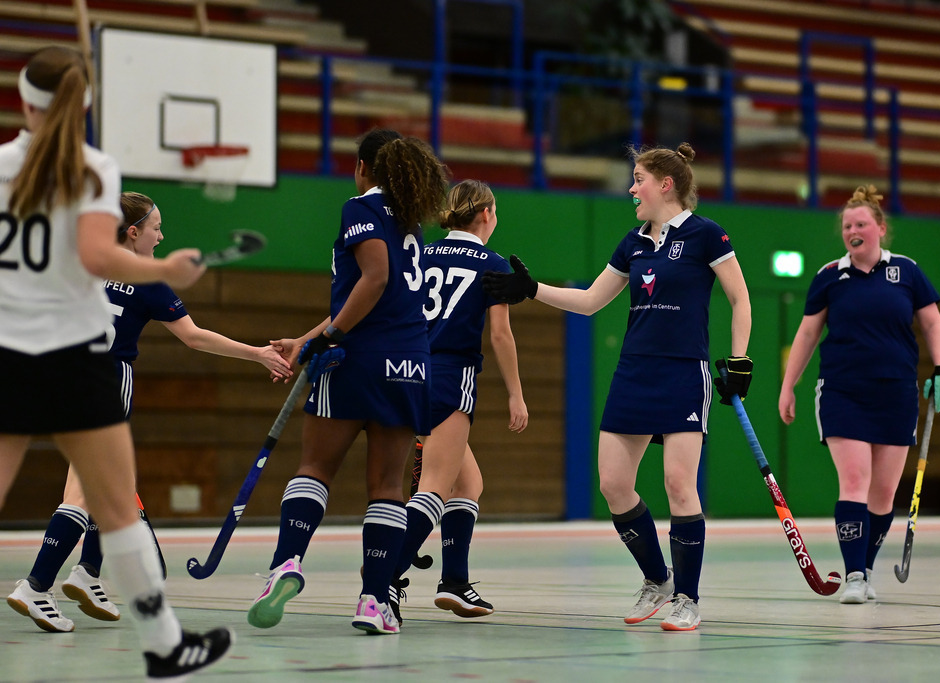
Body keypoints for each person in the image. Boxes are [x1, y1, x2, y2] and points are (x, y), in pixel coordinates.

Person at [0, 46, 232, 679]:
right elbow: (99, 259)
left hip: (7, 348)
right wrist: (165, 269)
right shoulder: (95, 169)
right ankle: (162, 644)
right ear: (86, 105)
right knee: (116, 505)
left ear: (24, 103)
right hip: (76, 358)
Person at [483, 142, 752, 632]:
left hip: (682, 372)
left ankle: (688, 598)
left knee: (678, 484)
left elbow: (740, 297)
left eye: (638, 179)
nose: (632, 188)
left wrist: (740, 359)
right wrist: (532, 290)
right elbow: (589, 301)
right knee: (612, 483)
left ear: (665, 185)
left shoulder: (706, 235)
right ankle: (658, 579)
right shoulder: (632, 242)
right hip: (634, 373)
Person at [6, 190, 292, 634]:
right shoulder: (146, 279)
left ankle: (86, 574)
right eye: (156, 228)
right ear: (134, 232)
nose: (162, 236)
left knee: (116, 487)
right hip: (105, 378)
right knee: (85, 492)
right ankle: (36, 586)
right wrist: (257, 354)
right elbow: (195, 338)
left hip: (60, 375)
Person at [246, 128, 450, 635]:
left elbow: (373, 281)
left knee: (315, 469)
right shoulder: (409, 221)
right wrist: (306, 338)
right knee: (386, 489)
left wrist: (329, 336)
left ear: (363, 167)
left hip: (354, 359)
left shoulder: (360, 207)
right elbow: (375, 294)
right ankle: (373, 599)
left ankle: (286, 564)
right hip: (409, 364)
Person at [778, 185, 940, 604]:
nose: (852, 231)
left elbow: (932, 325)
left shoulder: (907, 272)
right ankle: (854, 574)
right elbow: (807, 333)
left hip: (895, 393)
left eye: (860, 224)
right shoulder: (828, 276)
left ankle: (867, 566)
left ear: (880, 229)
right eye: (846, 226)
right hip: (843, 391)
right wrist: (788, 385)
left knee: (884, 494)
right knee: (855, 479)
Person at [390, 179, 529, 623]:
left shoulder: (422, 254)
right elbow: (502, 334)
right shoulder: (491, 264)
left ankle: (454, 582)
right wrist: (516, 394)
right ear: (486, 214)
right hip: (450, 376)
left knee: (468, 485)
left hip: (405, 372)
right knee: (434, 485)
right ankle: (382, 578)